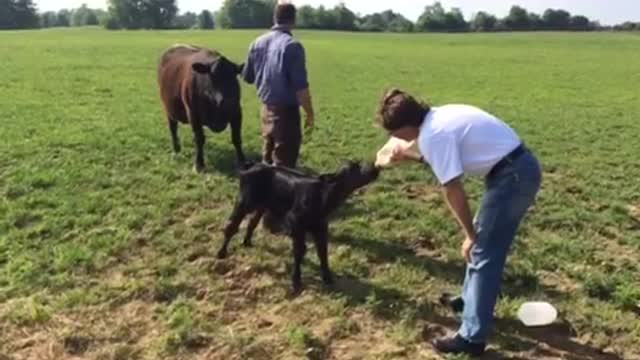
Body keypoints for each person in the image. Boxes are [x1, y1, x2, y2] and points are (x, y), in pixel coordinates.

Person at [376, 88, 542, 356]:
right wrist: (408, 156)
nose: (394, 138)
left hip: (512, 178)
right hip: (514, 170)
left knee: (482, 251)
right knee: (481, 247)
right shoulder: (439, 117)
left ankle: (471, 338)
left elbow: (452, 188)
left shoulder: (433, 135)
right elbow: (444, 160)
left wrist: (469, 235)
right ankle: (469, 302)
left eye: (395, 132)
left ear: (407, 125)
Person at [242, 3, 315, 168]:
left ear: (274, 18)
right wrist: (309, 113)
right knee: (284, 166)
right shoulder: (292, 46)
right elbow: (301, 88)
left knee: (267, 159)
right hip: (286, 114)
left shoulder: (256, 43)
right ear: (293, 20)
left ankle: (264, 192)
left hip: (265, 110)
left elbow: (248, 77)